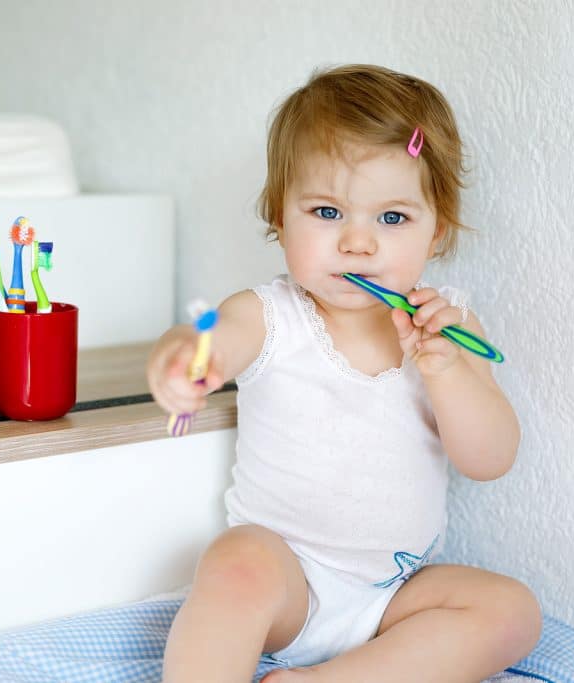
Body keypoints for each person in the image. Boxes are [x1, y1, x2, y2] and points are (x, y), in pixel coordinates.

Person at [146, 64, 541, 683]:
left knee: (511, 611)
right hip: (287, 581)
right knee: (235, 561)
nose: (358, 244)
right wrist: (183, 360)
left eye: (392, 219)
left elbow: (489, 458)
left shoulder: (451, 326)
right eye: (327, 211)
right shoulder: (270, 315)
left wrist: (447, 370)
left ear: (437, 231)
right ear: (280, 218)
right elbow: (213, 338)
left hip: (393, 593)